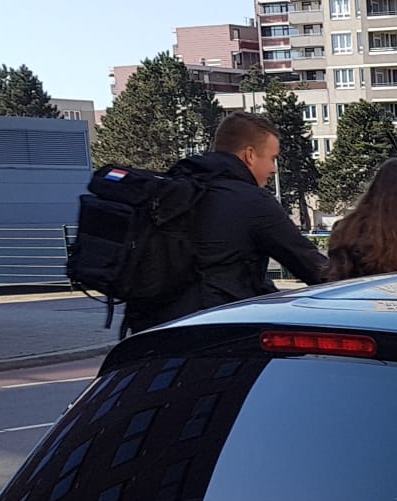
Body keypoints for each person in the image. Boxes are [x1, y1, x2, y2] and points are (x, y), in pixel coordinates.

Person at [122, 112, 330, 335]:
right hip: (212, 331)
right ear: (250, 155)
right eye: (272, 158)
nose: (274, 169)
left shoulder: (178, 188)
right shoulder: (252, 201)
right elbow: (312, 267)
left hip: (149, 330)